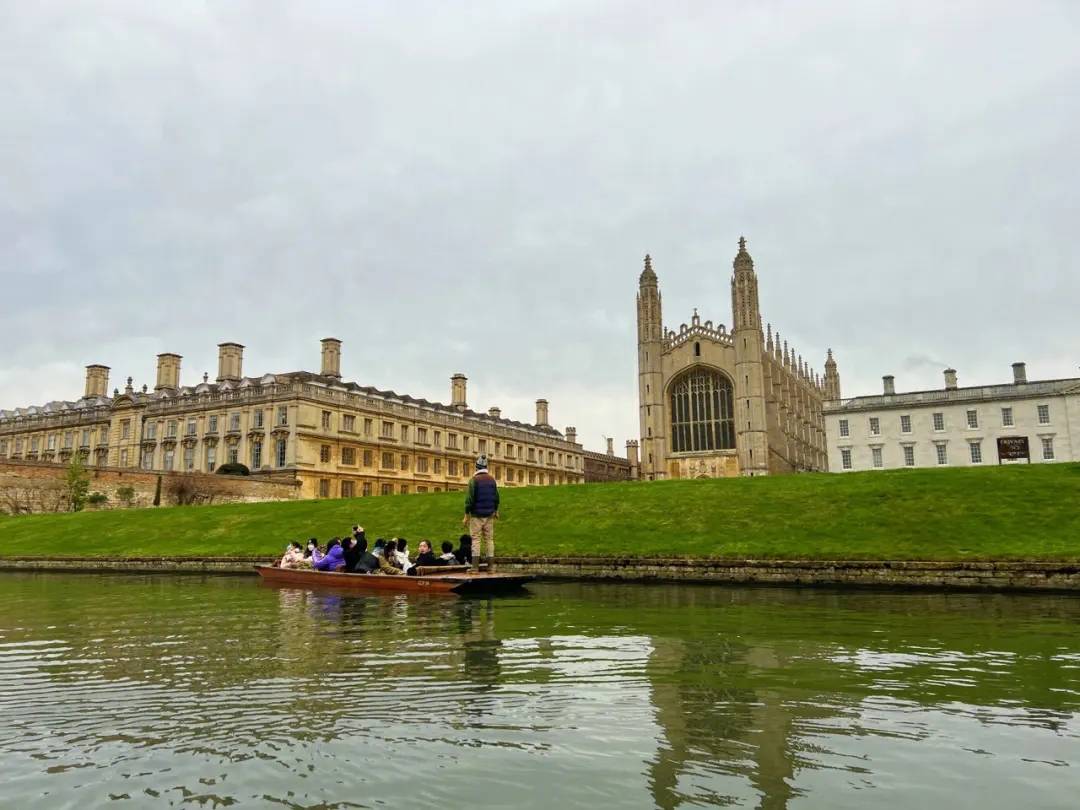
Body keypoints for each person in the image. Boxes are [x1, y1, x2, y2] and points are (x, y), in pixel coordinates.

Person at [464, 454, 499, 572]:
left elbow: (469, 500)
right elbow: (496, 497)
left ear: (476, 467)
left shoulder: (474, 480)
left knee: (476, 539)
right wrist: (496, 510)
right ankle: (491, 566)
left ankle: (474, 567)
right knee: (489, 539)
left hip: (476, 515)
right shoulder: (492, 480)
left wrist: (466, 515)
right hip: (489, 514)